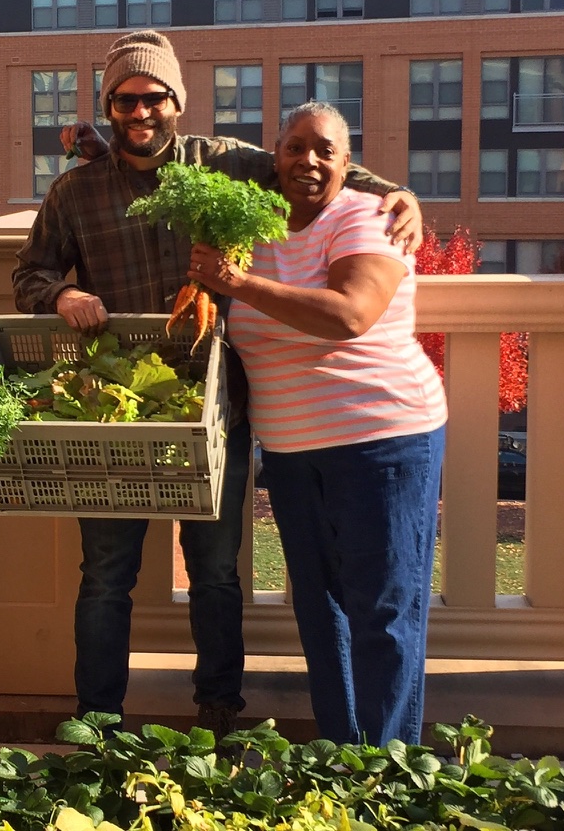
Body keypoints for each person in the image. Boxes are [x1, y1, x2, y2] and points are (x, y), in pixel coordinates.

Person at [12, 30, 423, 739]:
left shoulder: (222, 162)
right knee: (107, 572)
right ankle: (99, 718)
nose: (138, 111)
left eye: (152, 97)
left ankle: (217, 711)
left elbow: (315, 167)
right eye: (123, 100)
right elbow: (29, 275)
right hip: (119, 408)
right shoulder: (76, 191)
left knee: (216, 571)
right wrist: (61, 299)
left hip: (218, 404)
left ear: (177, 100)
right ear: (108, 107)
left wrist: (401, 194)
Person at [189, 101, 447, 746]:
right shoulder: (256, 225)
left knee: (383, 608)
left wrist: (238, 283)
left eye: (325, 150)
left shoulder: (369, 216)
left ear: (348, 162)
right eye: (294, 147)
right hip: (293, 449)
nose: (308, 160)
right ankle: (340, 757)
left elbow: (350, 314)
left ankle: (388, 771)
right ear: (273, 158)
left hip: (381, 439)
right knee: (321, 607)